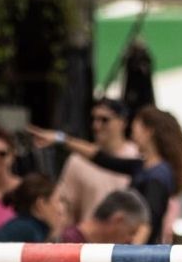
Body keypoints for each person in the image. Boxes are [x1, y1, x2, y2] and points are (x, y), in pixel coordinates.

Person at [28, 105, 182, 244]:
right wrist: (61, 139)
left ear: (148, 131)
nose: (132, 132)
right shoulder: (143, 167)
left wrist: (132, 258)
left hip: (141, 255)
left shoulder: (158, 175)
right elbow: (100, 158)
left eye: (136, 127)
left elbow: (147, 222)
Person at [54, 97, 138, 228]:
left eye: (105, 120)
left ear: (123, 122)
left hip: (132, 245)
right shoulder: (78, 160)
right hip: (91, 244)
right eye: (94, 119)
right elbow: (66, 206)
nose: (96, 126)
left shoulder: (136, 156)